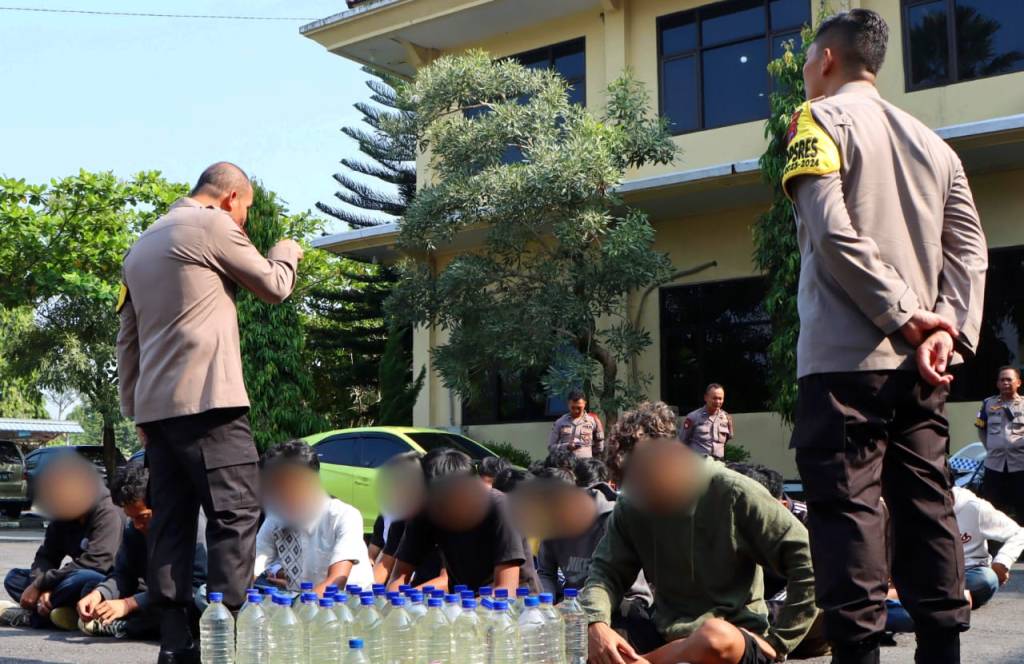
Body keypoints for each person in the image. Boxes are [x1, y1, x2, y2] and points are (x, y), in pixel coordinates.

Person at [784, 10, 987, 664]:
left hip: (844, 365)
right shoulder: (937, 146)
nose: (807, 70)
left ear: (828, 60)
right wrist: (945, 331)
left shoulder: (814, 121)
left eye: (809, 59)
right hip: (924, 372)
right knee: (929, 512)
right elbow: (970, 253)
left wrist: (905, 317)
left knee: (848, 520)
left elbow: (831, 229)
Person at [117, 162, 303, 663]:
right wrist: (286, 251)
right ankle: (230, 642)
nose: (243, 224)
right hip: (210, 406)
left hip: (157, 415)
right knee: (235, 516)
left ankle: (175, 648)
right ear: (229, 198)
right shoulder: (212, 225)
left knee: (171, 526)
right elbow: (274, 285)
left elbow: (127, 342)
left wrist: (136, 411)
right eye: (246, 211)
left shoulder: (142, 246)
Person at [581, 439, 817, 664]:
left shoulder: (733, 491)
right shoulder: (630, 507)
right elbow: (605, 573)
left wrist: (779, 642)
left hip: (730, 640)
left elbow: (809, 558)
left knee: (713, 635)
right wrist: (595, 624)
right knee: (578, 628)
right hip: (664, 632)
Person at [76, 462, 207, 640]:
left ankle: (125, 626)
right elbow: (123, 574)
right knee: (90, 586)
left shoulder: (191, 524)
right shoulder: (135, 530)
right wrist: (100, 594)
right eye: (132, 518)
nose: (137, 525)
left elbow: (196, 586)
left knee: (183, 612)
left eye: (143, 517)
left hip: (186, 597)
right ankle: (110, 619)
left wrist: (131, 604)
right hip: (152, 594)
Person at [390, 447, 540, 594]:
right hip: (465, 603)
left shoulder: (501, 508)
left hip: (518, 608)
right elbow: (399, 577)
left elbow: (505, 590)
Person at [0, 454, 122, 630]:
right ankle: (61, 612)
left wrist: (42, 584)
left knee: (85, 578)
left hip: (104, 581)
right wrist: (40, 584)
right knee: (14, 578)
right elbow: (47, 555)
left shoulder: (108, 511)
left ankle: (35, 616)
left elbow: (97, 562)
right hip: (66, 584)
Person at [886, 485, 1024, 634]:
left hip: (966, 573)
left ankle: (936, 601)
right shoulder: (907, 506)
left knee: (987, 579)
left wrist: (1002, 562)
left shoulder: (972, 507)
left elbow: (1018, 533)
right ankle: (949, 601)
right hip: (924, 578)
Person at [254, 440, 374, 595]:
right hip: (303, 606)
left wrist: (299, 608)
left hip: (350, 608)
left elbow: (336, 582)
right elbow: (252, 571)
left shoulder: (344, 516)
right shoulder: (275, 520)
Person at [977, 366, 1024, 518]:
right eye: (1001, 380)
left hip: (1020, 465)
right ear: (997, 384)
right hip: (994, 465)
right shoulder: (988, 404)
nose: (1005, 383)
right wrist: (991, 448)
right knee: (992, 508)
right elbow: (981, 429)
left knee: (1021, 506)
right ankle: (993, 541)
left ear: (1018, 383)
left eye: (1009, 379)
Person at [681, 384, 734, 461]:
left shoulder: (726, 418)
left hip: (719, 464)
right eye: (714, 398)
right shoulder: (693, 417)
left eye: (720, 398)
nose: (718, 401)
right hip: (698, 463)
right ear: (705, 397)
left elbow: (727, 440)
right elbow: (682, 441)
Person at [548, 390, 605, 459]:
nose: (576, 411)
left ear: (584, 404)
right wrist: (567, 446)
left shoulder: (593, 421)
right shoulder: (560, 422)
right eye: (573, 407)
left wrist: (586, 453)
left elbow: (600, 447)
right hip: (566, 465)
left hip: (585, 464)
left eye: (579, 408)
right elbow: (551, 447)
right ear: (568, 404)